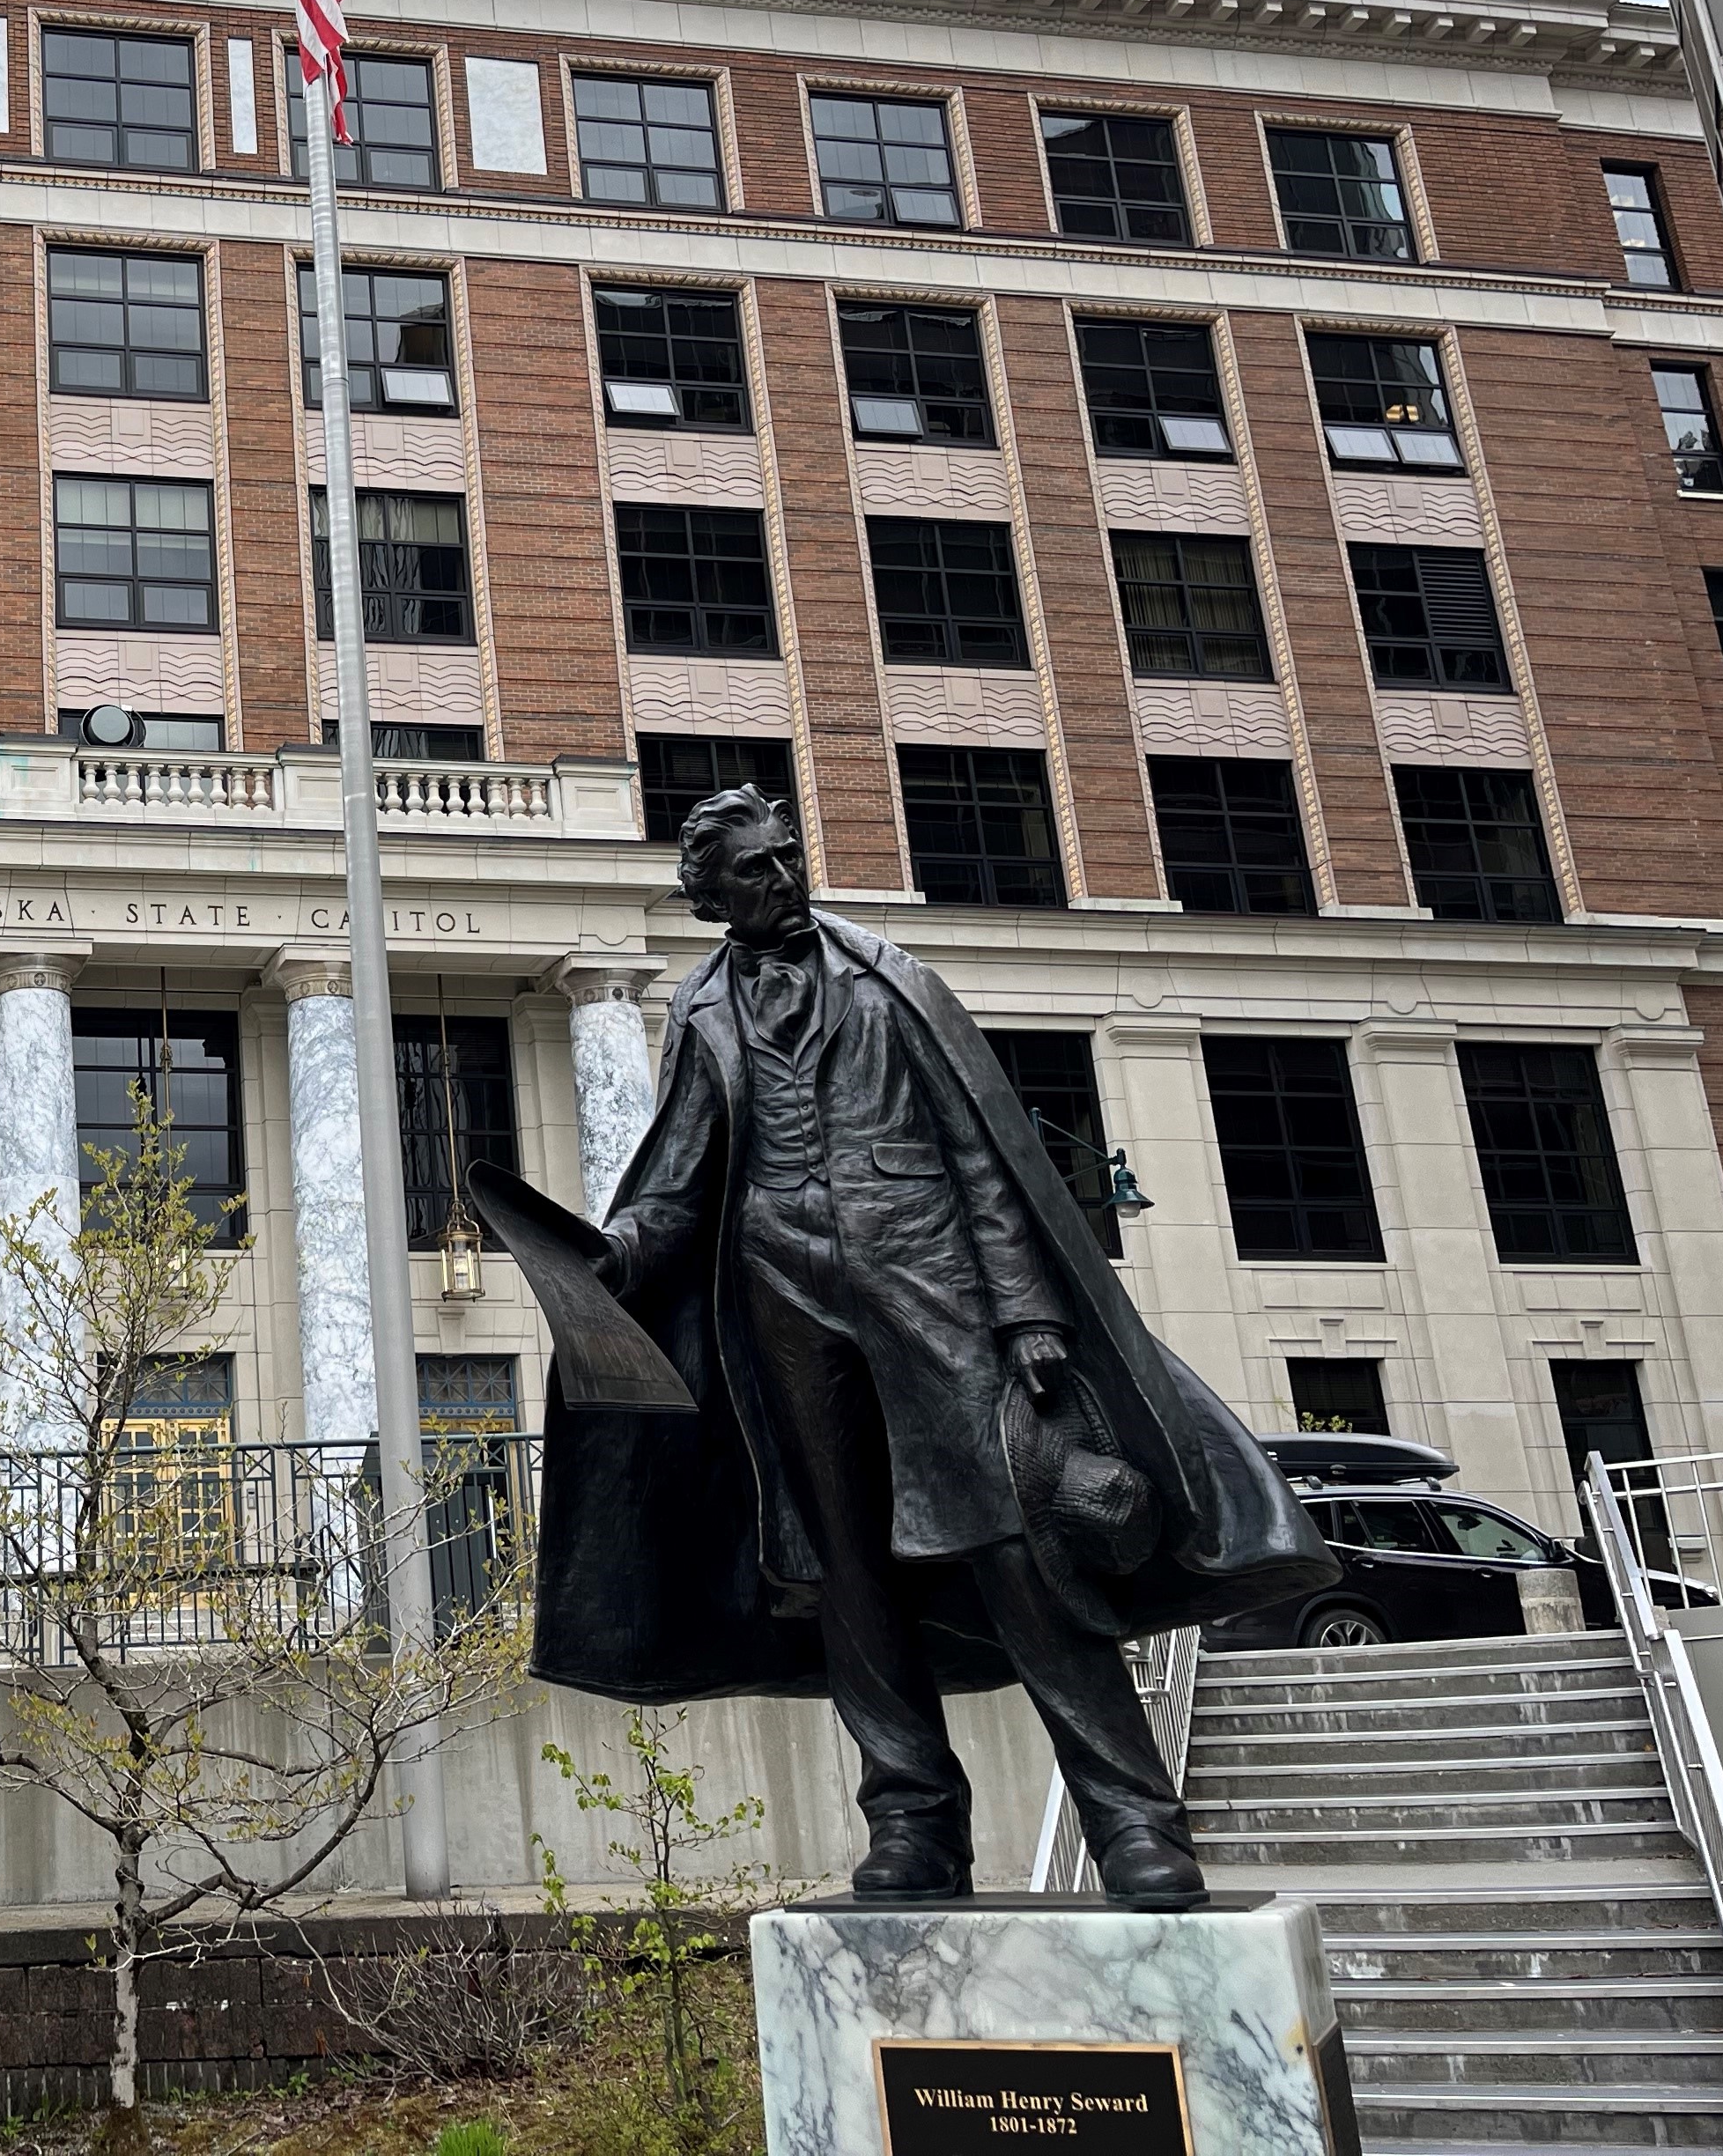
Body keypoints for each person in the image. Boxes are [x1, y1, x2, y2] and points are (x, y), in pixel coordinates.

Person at [508, 786, 1330, 1901]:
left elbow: (988, 1156)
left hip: (931, 1285)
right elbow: (682, 1183)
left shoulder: (891, 979)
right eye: (754, 870)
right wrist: (613, 1256)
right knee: (847, 1568)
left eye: (788, 856)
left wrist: (1029, 1310)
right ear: (711, 898)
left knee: (1020, 1544)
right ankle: (914, 1825)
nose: (784, 880)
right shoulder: (700, 1012)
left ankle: (1137, 1822)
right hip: (782, 1300)